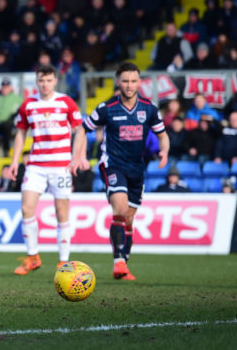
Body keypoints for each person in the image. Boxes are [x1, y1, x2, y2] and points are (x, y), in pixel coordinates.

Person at [70, 62, 170, 281]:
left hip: (137, 168)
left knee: (129, 219)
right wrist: (79, 156)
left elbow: (162, 135)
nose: (129, 85)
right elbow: (82, 130)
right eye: (125, 81)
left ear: (139, 82)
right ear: (118, 82)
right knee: (120, 209)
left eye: (133, 81)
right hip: (113, 164)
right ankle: (118, 261)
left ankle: (124, 262)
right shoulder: (106, 108)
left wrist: (164, 152)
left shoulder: (149, 108)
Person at [8, 64, 83, 275]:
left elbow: (80, 131)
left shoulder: (66, 102)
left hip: (61, 167)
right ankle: (33, 257)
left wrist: (78, 157)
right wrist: (15, 161)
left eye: (49, 80)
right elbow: (21, 133)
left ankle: (63, 261)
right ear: (36, 81)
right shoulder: (29, 105)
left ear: (55, 81)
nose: (45, 84)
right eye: (41, 80)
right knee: (26, 209)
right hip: (36, 166)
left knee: (62, 212)